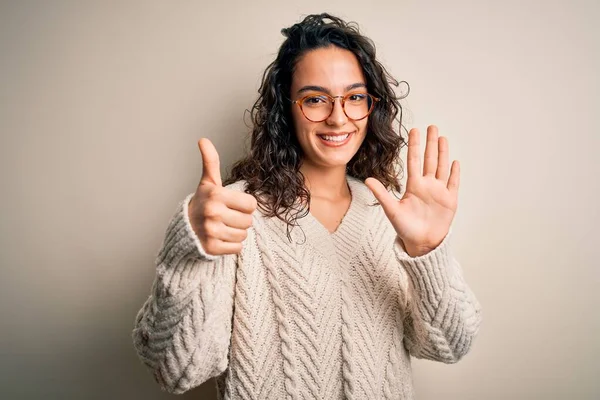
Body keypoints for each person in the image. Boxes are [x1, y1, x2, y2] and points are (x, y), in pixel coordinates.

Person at [132, 13, 482, 400]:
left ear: (372, 106)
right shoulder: (232, 214)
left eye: (354, 97)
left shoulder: (392, 216)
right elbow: (177, 370)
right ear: (286, 108)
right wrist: (189, 249)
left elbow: (449, 345)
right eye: (315, 99)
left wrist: (428, 251)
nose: (337, 117)